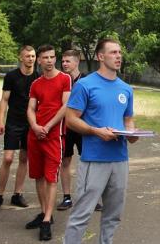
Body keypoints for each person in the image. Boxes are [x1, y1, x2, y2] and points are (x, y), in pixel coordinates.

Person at [64, 38, 139, 244]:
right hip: (94, 159)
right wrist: (96, 131)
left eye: (120, 52)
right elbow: (70, 120)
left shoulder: (126, 89)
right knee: (82, 215)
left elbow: (128, 119)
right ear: (100, 56)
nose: (118, 56)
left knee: (113, 216)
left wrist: (131, 133)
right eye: (113, 52)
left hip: (120, 159)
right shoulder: (85, 85)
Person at [26, 45, 72, 241]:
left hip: (54, 137)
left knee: (51, 178)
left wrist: (48, 126)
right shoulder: (36, 83)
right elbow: (30, 108)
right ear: (39, 60)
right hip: (35, 135)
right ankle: (46, 213)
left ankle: (46, 221)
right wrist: (36, 127)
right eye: (45, 57)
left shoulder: (64, 79)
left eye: (52, 57)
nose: (50, 60)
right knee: (38, 177)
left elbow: (65, 106)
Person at [0, 45, 38, 213]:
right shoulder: (11, 76)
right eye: (28, 56)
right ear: (21, 58)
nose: (31, 59)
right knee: (8, 158)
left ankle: (17, 194)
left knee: (24, 158)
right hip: (13, 122)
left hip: (30, 123)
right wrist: (0, 121)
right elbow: (4, 100)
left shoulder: (38, 77)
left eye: (33, 56)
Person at [56, 50, 102, 212]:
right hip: (66, 128)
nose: (64, 64)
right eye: (63, 61)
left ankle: (91, 197)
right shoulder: (60, 80)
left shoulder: (87, 81)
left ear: (76, 62)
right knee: (65, 161)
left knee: (89, 162)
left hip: (83, 128)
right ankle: (67, 197)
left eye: (68, 61)